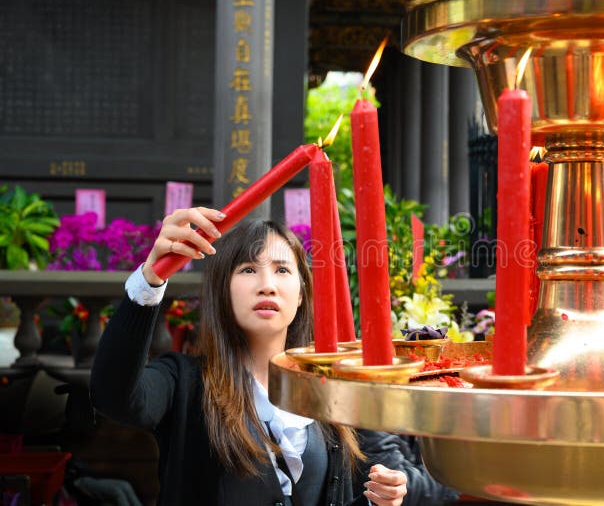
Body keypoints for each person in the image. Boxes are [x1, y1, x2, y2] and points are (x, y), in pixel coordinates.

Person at [90, 207, 409, 505]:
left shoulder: (328, 388)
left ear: (300, 295)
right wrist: (151, 277)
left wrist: (376, 500)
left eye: (282, 269)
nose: (267, 285)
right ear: (222, 290)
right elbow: (114, 397)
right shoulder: (185, 381)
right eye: (248, 269)